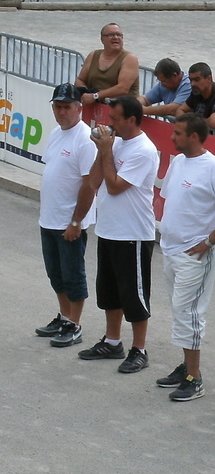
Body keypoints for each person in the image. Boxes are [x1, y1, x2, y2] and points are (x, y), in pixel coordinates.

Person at [152, 113, 215, 401]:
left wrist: (209, 242)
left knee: (190, 312)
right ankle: (187, 365)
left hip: (196, 254)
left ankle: (194, 378)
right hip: (171, 250)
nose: (172, 137)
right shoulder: (177, 162)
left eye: (178, 133)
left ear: (195, 137)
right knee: (179, 310)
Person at [78, 96, 158, 374]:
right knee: (109, 292)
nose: (109, 123)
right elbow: (94, 181)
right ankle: (112, 341)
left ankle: (140, 349)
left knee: (134, 295)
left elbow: (114, 186)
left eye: (115, 119)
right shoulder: (115, 144)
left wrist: (107, 151)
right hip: (109, 229)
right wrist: (103, 150)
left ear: (132, 120)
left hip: (133, 233)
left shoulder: (144, 150)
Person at [35, 83, 98, 348]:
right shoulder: (55, 133)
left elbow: (89, 184)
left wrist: (76, 221)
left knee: (73, 275)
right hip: (49, 218)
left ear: (79, 108)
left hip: (69, 222)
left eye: (66, 107)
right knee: (56, 274)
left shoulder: (85, 139)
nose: (61, 112)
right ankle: (64, 317)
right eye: (57, 107)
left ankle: (74, 324)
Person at [74, 23, 139, 106]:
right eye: (111, 35)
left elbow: (122, 88)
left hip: (122, 109)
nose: (115, 37)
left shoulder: (129, 58)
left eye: (119, 35)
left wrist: (95, 96)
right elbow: (80, 80)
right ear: (102, 39)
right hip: (94, 106)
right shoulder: (93, 55)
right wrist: (85, 92)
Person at [176, 62, 215, 132]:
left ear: (209, 79)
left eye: (197, 80)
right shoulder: (196, 92)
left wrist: (192, 123)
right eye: (191, 80)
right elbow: (180, 110)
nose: (192, 84)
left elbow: (214, 122)